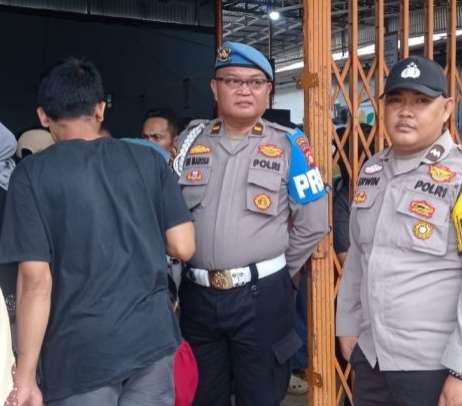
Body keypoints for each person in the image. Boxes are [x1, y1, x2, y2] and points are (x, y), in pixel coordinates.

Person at [0, 57, 195, 406]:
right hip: (151, 341)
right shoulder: (149, 160)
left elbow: (35, 281)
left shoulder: (30, 175)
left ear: (43, 116)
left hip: (79, 353)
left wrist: (25, 376)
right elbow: (183, 246)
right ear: (101, 109)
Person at [176, 41, 329, 406]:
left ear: (268, 91)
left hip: (262, 298)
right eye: (232, 81)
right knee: (202, 395)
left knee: (260, 395)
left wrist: (274, 272)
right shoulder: (189, 142)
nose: (244, 90)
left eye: (255, 82)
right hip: (197, 295)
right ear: (215, 88)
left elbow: (314, 222)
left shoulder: (290, 144)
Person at [336, 55, 462, 406]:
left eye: (421, 101)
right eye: (396, 100)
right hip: (372, 358)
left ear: (446, 109)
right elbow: (358, 257)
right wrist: (347, 324)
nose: (406, 112)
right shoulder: (372, 170)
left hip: (434, 365)